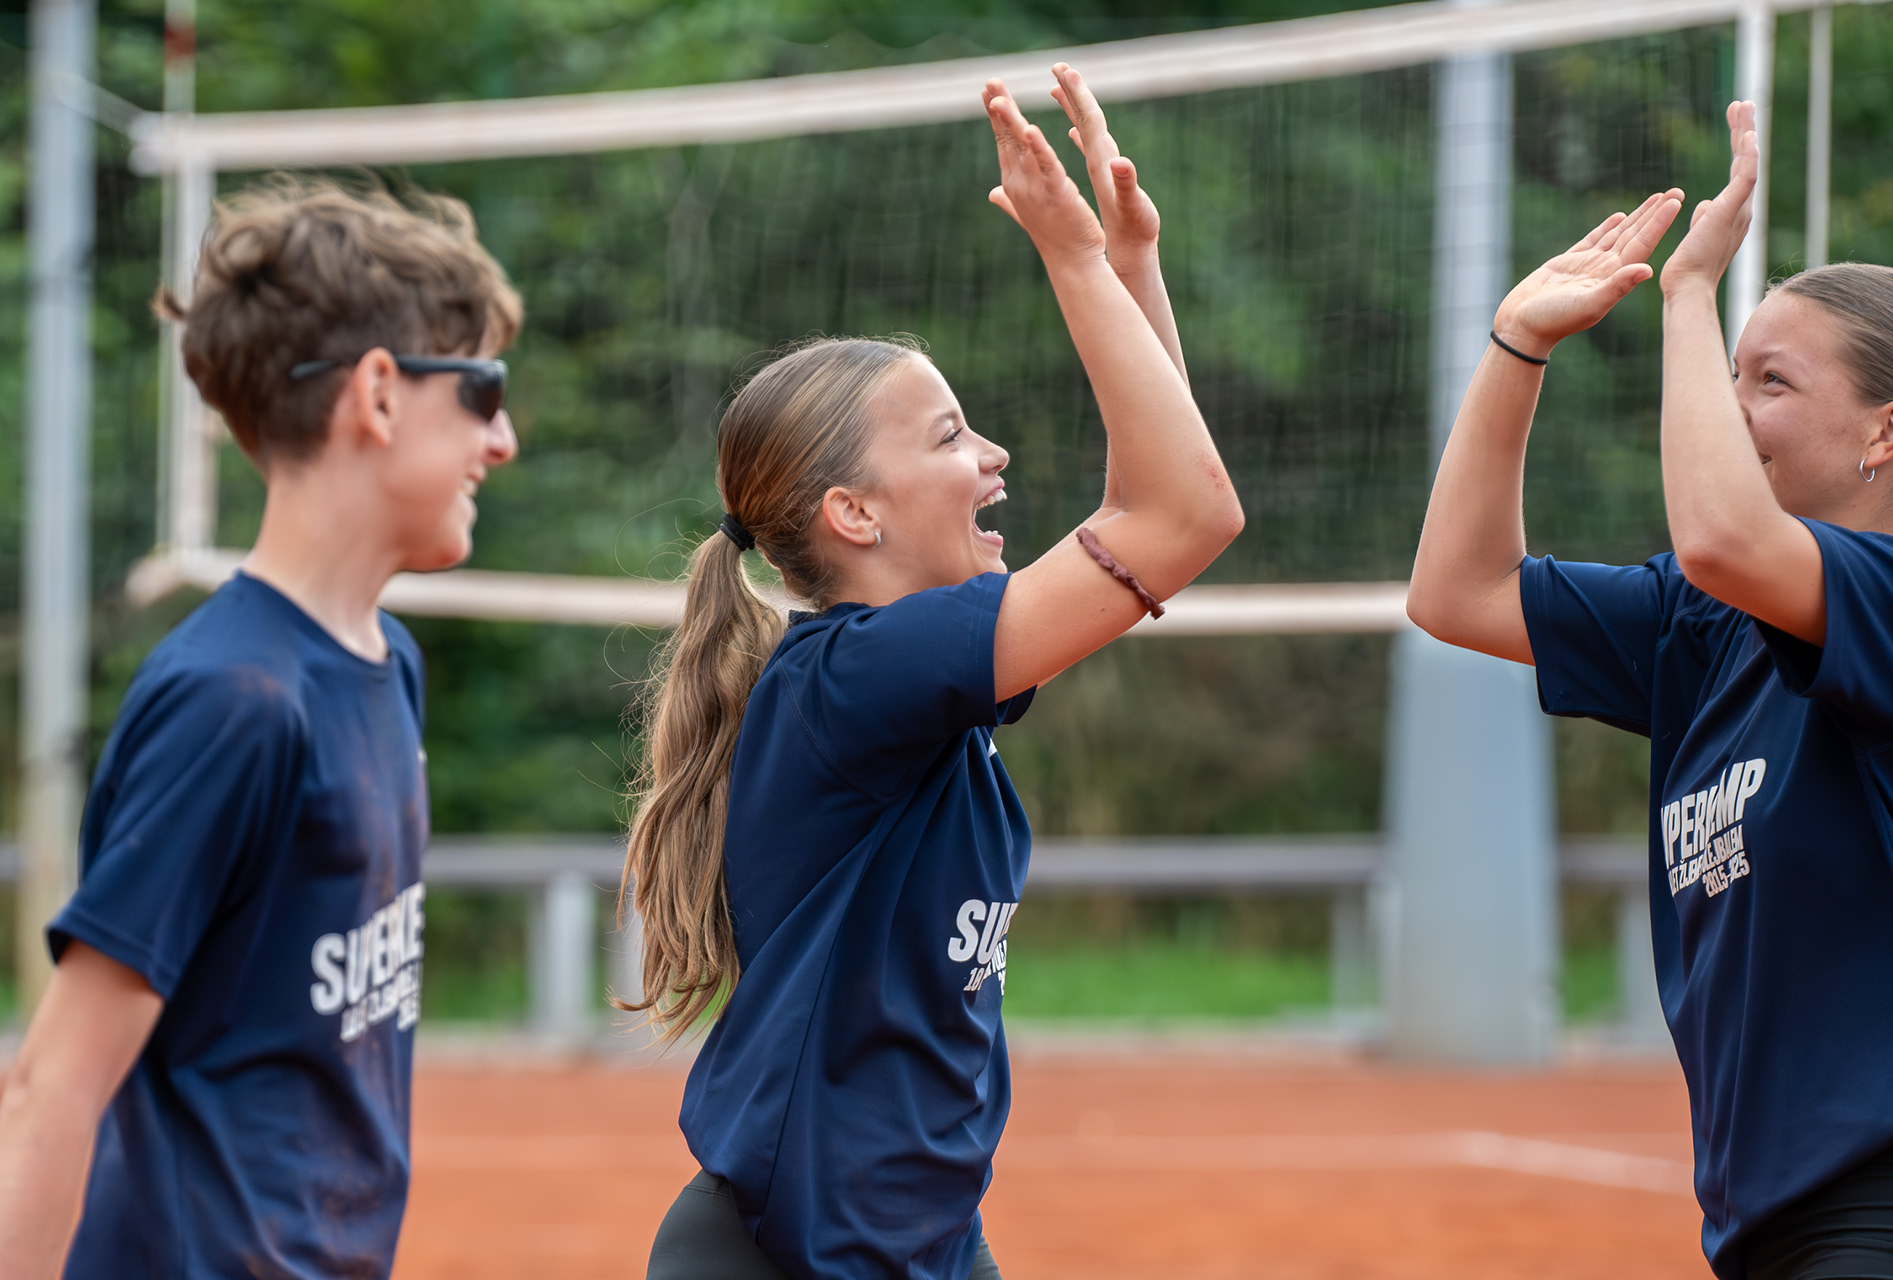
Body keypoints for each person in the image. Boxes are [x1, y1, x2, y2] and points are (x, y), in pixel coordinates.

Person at [633, 65, 1241, 1280]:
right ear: (853, 512)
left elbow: (1155, 498)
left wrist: (1131, 268)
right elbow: (1184, 515)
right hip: (795, 1253)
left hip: (918, 1237)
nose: (994, 453)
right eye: (953, 435)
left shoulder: (910, 683)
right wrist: (1075, 260)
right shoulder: (859, 677)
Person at [1410, 100, 1893, 1279]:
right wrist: (1517, 346)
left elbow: (1723, 537)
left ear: (1887, 430)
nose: (1730, 404)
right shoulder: (1703, 622)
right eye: (1731, 373)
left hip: (1891, 1184)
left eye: (1771, 381)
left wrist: (1691, 293)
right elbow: (1457, 590)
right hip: (1764, 1207)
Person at [0, 181, 522, 1279]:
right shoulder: (232, 699)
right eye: (483, 391)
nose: (504, 440)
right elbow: (55, 1082)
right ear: (378, 394)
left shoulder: (389, 662)